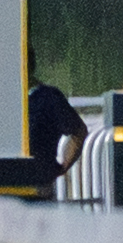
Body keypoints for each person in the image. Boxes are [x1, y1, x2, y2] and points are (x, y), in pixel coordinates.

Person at [29, 49, 90, 186]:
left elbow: (78, 131)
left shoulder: (47, 98)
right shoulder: (48, 97)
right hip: (40, 178)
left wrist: (62, 167)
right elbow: (78, 131)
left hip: (39, 184)